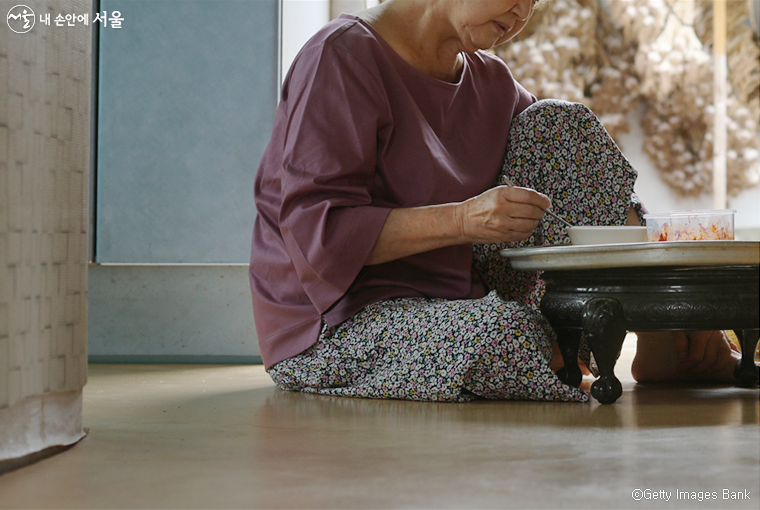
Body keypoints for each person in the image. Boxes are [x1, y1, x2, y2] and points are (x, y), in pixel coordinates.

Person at [249, 0, 741, 402]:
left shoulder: (493, 81)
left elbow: (585, 177)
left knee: (560, 123)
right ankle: (558, 357)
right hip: (340, 324)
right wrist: (463, 220)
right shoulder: (340, 57)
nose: (524, 11)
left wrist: (665, 294)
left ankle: (661, 336)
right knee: (502, 336)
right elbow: (320, 239)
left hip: (466, 299)